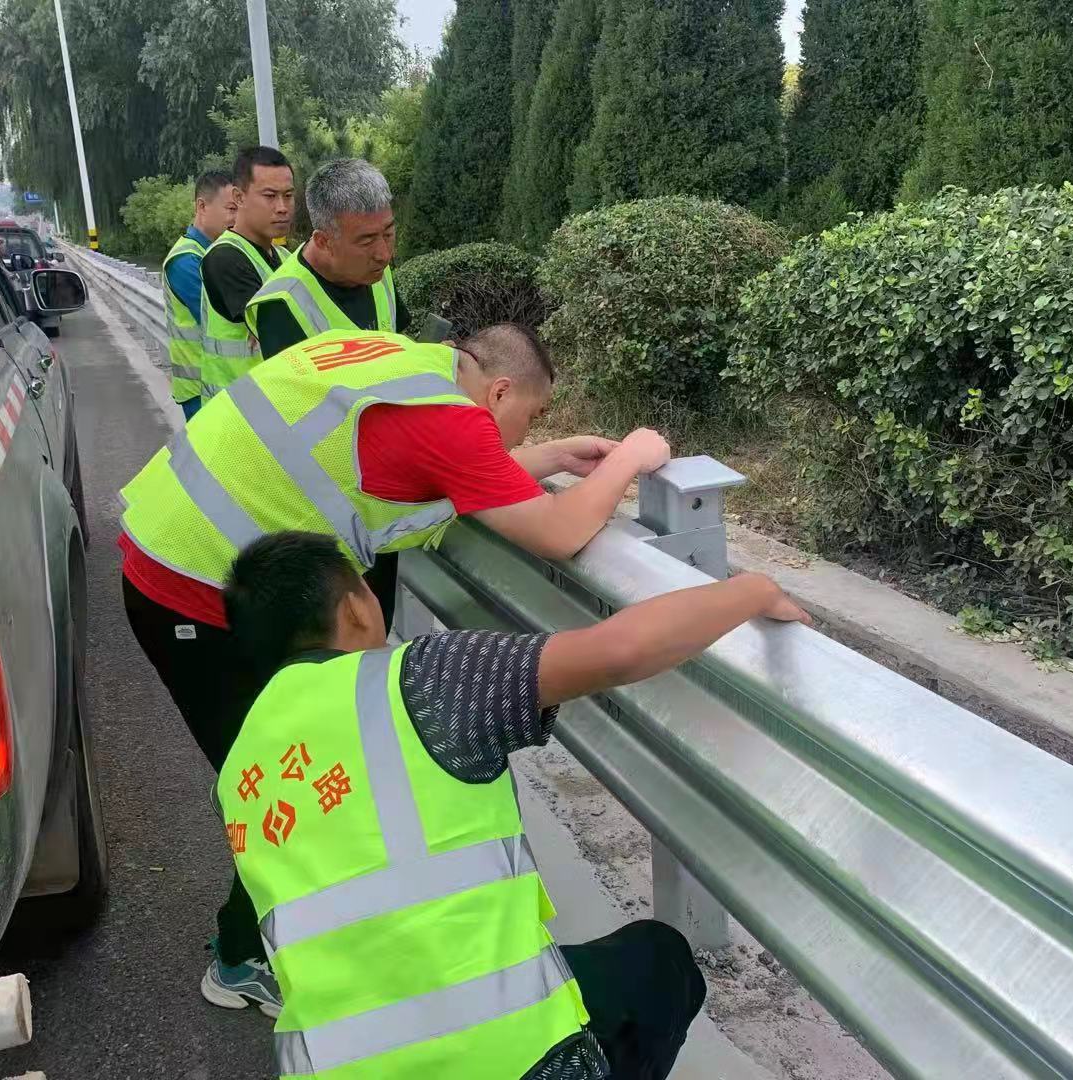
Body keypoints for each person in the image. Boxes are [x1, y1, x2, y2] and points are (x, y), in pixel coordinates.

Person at [118, 324, 670, 1014]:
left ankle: (288, 941)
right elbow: (559, 530)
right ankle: (243, 959)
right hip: (190, 589)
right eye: (532, 416)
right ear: (499, 391)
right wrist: (633, 456)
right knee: (289, 786)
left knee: (305, 776)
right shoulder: (450, 422)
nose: (525, 431)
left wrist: (548, 455)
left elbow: (432, 466)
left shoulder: (406, 366)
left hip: (180, 545)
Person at [215, 530, 813, 1078]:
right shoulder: (419, 678)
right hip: (511, 1061)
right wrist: (751, 590)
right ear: (356, 608)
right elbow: (620, 650)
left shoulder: (240, 769)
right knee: (661, 964)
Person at [244, 158, 408, 359]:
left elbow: (399, 341)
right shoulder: (281, 306)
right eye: (366, 241)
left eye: (388, 233)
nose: (384, 254)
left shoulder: (375, 268)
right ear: (323, 241)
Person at [198, 146, 295, 400]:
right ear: (239, 198)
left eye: (288, 195)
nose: (282, 207)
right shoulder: (224, 258)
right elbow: (286, 330)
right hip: (236, 410)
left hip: (275, 404)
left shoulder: (285, 257)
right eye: (270, 196)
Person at [162, 171, 237, 419]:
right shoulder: (186, 260)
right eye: (231, 209)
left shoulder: (219, 252)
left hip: (222, 383)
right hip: (201, 390)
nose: (237, 218)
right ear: (202, 206)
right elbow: (223, 320)